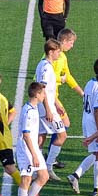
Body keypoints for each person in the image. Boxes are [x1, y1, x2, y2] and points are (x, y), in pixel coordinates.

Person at [67, 58, 98, 195]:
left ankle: (75, 175)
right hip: (94, 122)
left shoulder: (89, 83)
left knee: (96, 153)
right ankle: (97, 189)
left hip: (86, 119)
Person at [48, 28, 83, 169]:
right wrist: (59, 79)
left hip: (53, 96)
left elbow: (67, 76)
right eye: (71, 42)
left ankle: (50, 156)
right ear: (63, 41)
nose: (72, 46)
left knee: (63, 125)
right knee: (63, 124)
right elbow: (45, 76)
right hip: (49, 98)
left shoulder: (62, 57)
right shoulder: (54, 56)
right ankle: (49, 158)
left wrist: (81, 92)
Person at [15, 82, 49, 196]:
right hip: (26, 150)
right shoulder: (29, 111)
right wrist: (34, 155)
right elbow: (26, 134)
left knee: (44, 176)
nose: (44, 96)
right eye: (43, 93)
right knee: (26, 179)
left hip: (33, 147)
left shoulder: (34, 108)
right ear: (37, 94)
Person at [35, 39, 67, 182]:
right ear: (50, 52)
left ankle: (37, 169)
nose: (59, 54)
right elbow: (42, 88)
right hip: (45, 108)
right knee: (62, 135)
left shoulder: (46, 65)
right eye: (57, 51)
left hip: (48, 106)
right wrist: (49, 108)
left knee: (41, 137)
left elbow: (49, 89)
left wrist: (57, 104)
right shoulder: (46, 67)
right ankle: (47, 166)